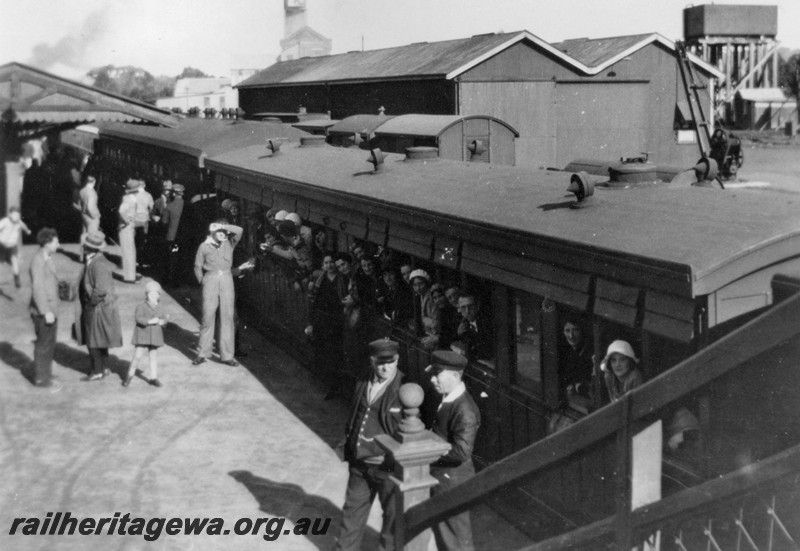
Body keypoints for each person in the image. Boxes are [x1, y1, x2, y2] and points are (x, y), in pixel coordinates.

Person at [334, 339, 403, 551]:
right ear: (372, 361)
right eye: (380, 362)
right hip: (360, 462)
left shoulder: (405, 388)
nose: (385, 367)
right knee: (351, 514)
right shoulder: (363, 378)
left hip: (387, 467)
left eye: (390, 362)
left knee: (392, 522)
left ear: (397, 360)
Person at [426, 350, 481, 551]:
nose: (432, 379)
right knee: (446, 536)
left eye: (437, 374)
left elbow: (462, 452)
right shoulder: (449, 399)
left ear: (456, 376)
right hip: (445, 479)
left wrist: (429, 452)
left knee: (456, 540)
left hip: (452, 482)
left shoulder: (464, 408)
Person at [192, 220, 243, 366]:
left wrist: (223, 227)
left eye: (225, 232)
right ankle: (202, 353)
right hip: (210, 278)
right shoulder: (204, 246)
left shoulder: (229, 243)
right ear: (212, 232)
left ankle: (227, 356)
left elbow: (239, 230)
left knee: (227, 317)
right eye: (219, 232)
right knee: (207, 316)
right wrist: (203, 281)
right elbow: (197, 266)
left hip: (227, 279)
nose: (223, 235)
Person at [76, 230, 123, 381]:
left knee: (93, 340)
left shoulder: (99, 264)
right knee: (98, 338)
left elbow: (101, 289)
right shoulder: (93, 259)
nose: (82, 247)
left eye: (85, 245)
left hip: (98, 307)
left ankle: (97, 371)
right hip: (98, 306)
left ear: (89, 248)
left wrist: (91, 303)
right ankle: (102, 368)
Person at [308, 253, 348, 400]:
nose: (329, 265)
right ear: (323, 265)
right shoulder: (320, 280)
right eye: (326, 263)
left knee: (334, 354)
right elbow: (314, 302)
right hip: (322, 320)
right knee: (323, 352)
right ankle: (327, 383)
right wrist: (311, 322)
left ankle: (334, 386)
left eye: (332, 262)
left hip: (336, 320)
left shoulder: (341, 279)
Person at [29, 227, 61, 387]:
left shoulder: (47, 257)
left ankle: (46, 374)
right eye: (56, 242)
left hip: (51, 310)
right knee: (43, 345)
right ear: (47, 243)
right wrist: (45, 311)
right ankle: (41, 378)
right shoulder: (38, 261)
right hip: (44, 312)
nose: (58, 244)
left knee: (49, 343)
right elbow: (38, 288)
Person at [123, 280, 167, 388]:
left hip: (154, 335)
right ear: (146, 295)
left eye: (156, 294)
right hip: (143, 334)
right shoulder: (141, 306)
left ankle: (153, 377)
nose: (153, 296)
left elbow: (164, 317)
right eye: (150, 294)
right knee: (137, 356)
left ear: (158, 295)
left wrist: (163, 322)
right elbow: (138, 318)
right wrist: (149, 321)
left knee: (153, 357)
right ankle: (129, 376)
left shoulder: (160, 306)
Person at [559, 317, 594, 400]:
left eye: (575, 330)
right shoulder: (564, 351)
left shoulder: (590, 352)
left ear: (582, 331)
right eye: (567, 331)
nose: (571, 336)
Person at [455, 293, 494, 361]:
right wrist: (459, 334)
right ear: (459, 308)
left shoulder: (487, 322)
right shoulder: (460, 322)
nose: (467, 311)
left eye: (471, 306)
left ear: (477, 306)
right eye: (463, 307)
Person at [0, 206, 32, 288]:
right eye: (14, 215)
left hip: (12, 246)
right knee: (1, 263)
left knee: (15, 261)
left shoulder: (19, 222)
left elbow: (24, 226)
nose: (16, 217)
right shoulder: (4, 221)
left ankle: (16, 278)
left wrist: (27, 230)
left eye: (18, 216)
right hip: (2, 245)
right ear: (10, 214)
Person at [118, 179, 139, 283]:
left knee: (130, 252)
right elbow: (121, 211)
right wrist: (127, 221)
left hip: (128, 227)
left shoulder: (130, 198)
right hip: (125, 227)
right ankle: (129, 277)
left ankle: (131, 275)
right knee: (128, 253)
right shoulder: (129, 199)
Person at [134, 179, 154, 266]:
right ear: (144, 185)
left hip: (135, 220)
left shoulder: (133, 194)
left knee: (134, 240)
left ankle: (134, 259)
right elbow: (152, 207)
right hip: (144, 221)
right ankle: (141, 260)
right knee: (143, 241)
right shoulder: (148, 195)